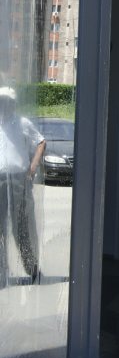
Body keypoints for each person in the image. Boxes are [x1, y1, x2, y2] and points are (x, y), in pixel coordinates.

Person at [0, 86, 45, 288]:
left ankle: (32, 268)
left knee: (22, 225)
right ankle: (1, 271)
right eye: (1, 101)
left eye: (7, 101)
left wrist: (33, 166)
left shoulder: (22, 122)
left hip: (19, 179)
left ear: (14, 103)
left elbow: (41, 142)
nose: (4, 105)